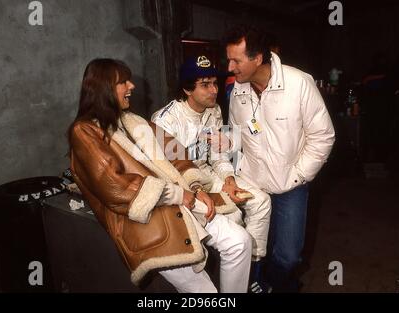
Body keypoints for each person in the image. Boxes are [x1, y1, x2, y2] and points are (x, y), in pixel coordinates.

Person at [67, 58, 252, 293]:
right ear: (104, 88)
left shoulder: (133, 120)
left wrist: (195, 188)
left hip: (178, 202)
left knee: (240, 242)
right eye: (123, 82)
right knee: (205, 293)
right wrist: (179, 194)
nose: (131, 86)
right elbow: (116, 187)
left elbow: (176, 154)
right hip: (142, 221)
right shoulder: (83, 131)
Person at [223, 25, 335, 292]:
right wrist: (228, 171)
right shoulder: (237, 91)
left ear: (257, 58)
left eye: (236, 60)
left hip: (290, 187)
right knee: (253, 249)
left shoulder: (299, 84)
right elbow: (234, 137)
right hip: (253, 187)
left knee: (287, 255)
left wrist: (298, 174)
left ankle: (273, 284)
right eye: (228, 59)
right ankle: (264, 285)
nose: (229, 67)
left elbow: (323, 136)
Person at [152, 55, 271, 293]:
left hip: (208, 174)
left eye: (215, 83)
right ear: (187, 89)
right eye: (205, 85)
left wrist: (228, 179)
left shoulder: (214, 109)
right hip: (183, 185)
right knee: (235, 218)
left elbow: (216, 154)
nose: (214, 90)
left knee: (262, 202)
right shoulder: (164, 121)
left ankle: (251, 274)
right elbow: (168, 173)